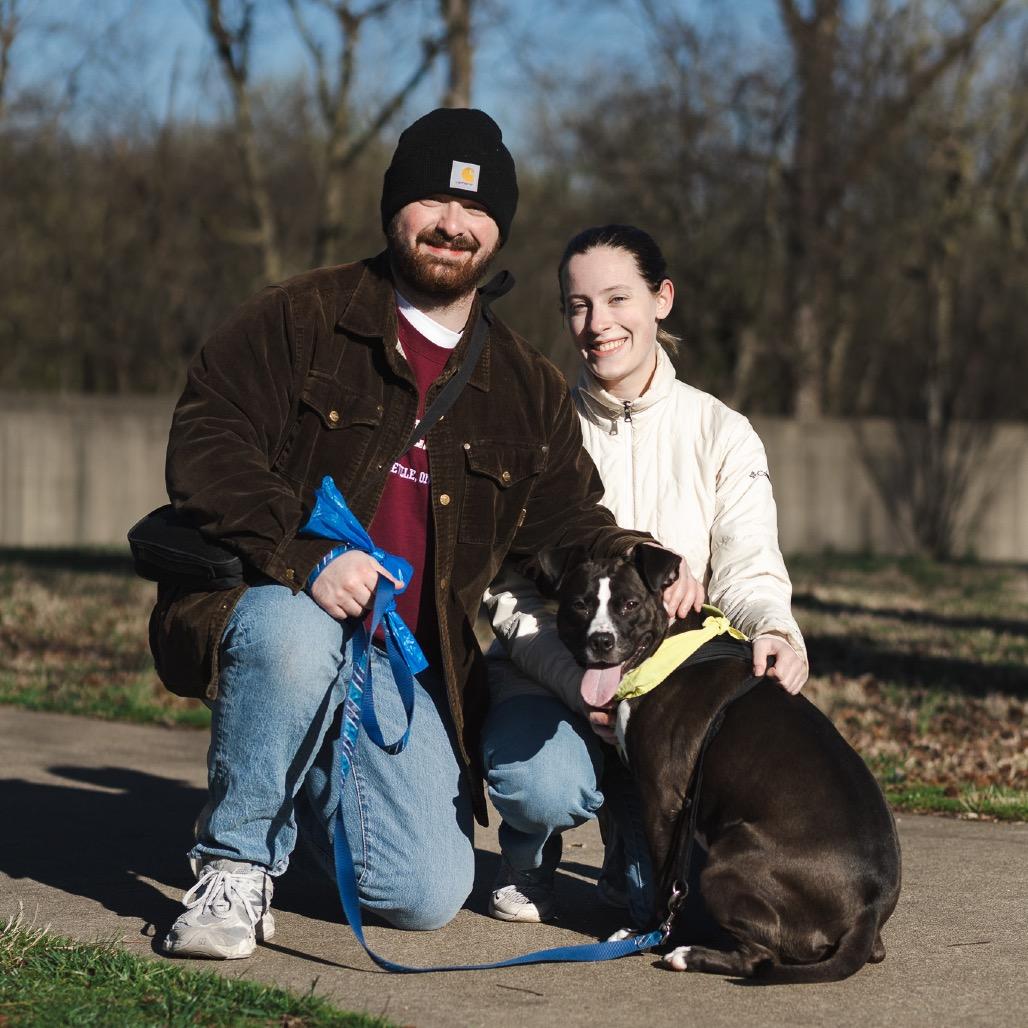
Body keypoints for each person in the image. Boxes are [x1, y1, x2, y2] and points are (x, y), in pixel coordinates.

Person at [150, 112, 683, 959]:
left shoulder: (525, 386)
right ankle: (234, 865)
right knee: (296, 635)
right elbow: (208, 440)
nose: (451, 222)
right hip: (279, 599)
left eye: (473, 209)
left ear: (497, 229)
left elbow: (569, 521)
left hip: (403, 657)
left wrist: (653, 566)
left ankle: (303, 760)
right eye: (431, 197)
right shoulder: (300, 318)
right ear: (394, 206)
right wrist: (306, 554)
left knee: (426, 893)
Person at [482, 224, 808, 924]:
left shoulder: (722, 432)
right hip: (551, 673)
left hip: (664, 696)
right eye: (577, 305)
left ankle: (627, 842)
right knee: (541, 782)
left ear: (662, 300)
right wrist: (572, 680)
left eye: (617, 299)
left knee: (666, 898)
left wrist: (775, 627)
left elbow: (749, 566)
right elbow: (504, 590)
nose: (596, 325)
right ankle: (530, 850)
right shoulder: (538, 426)